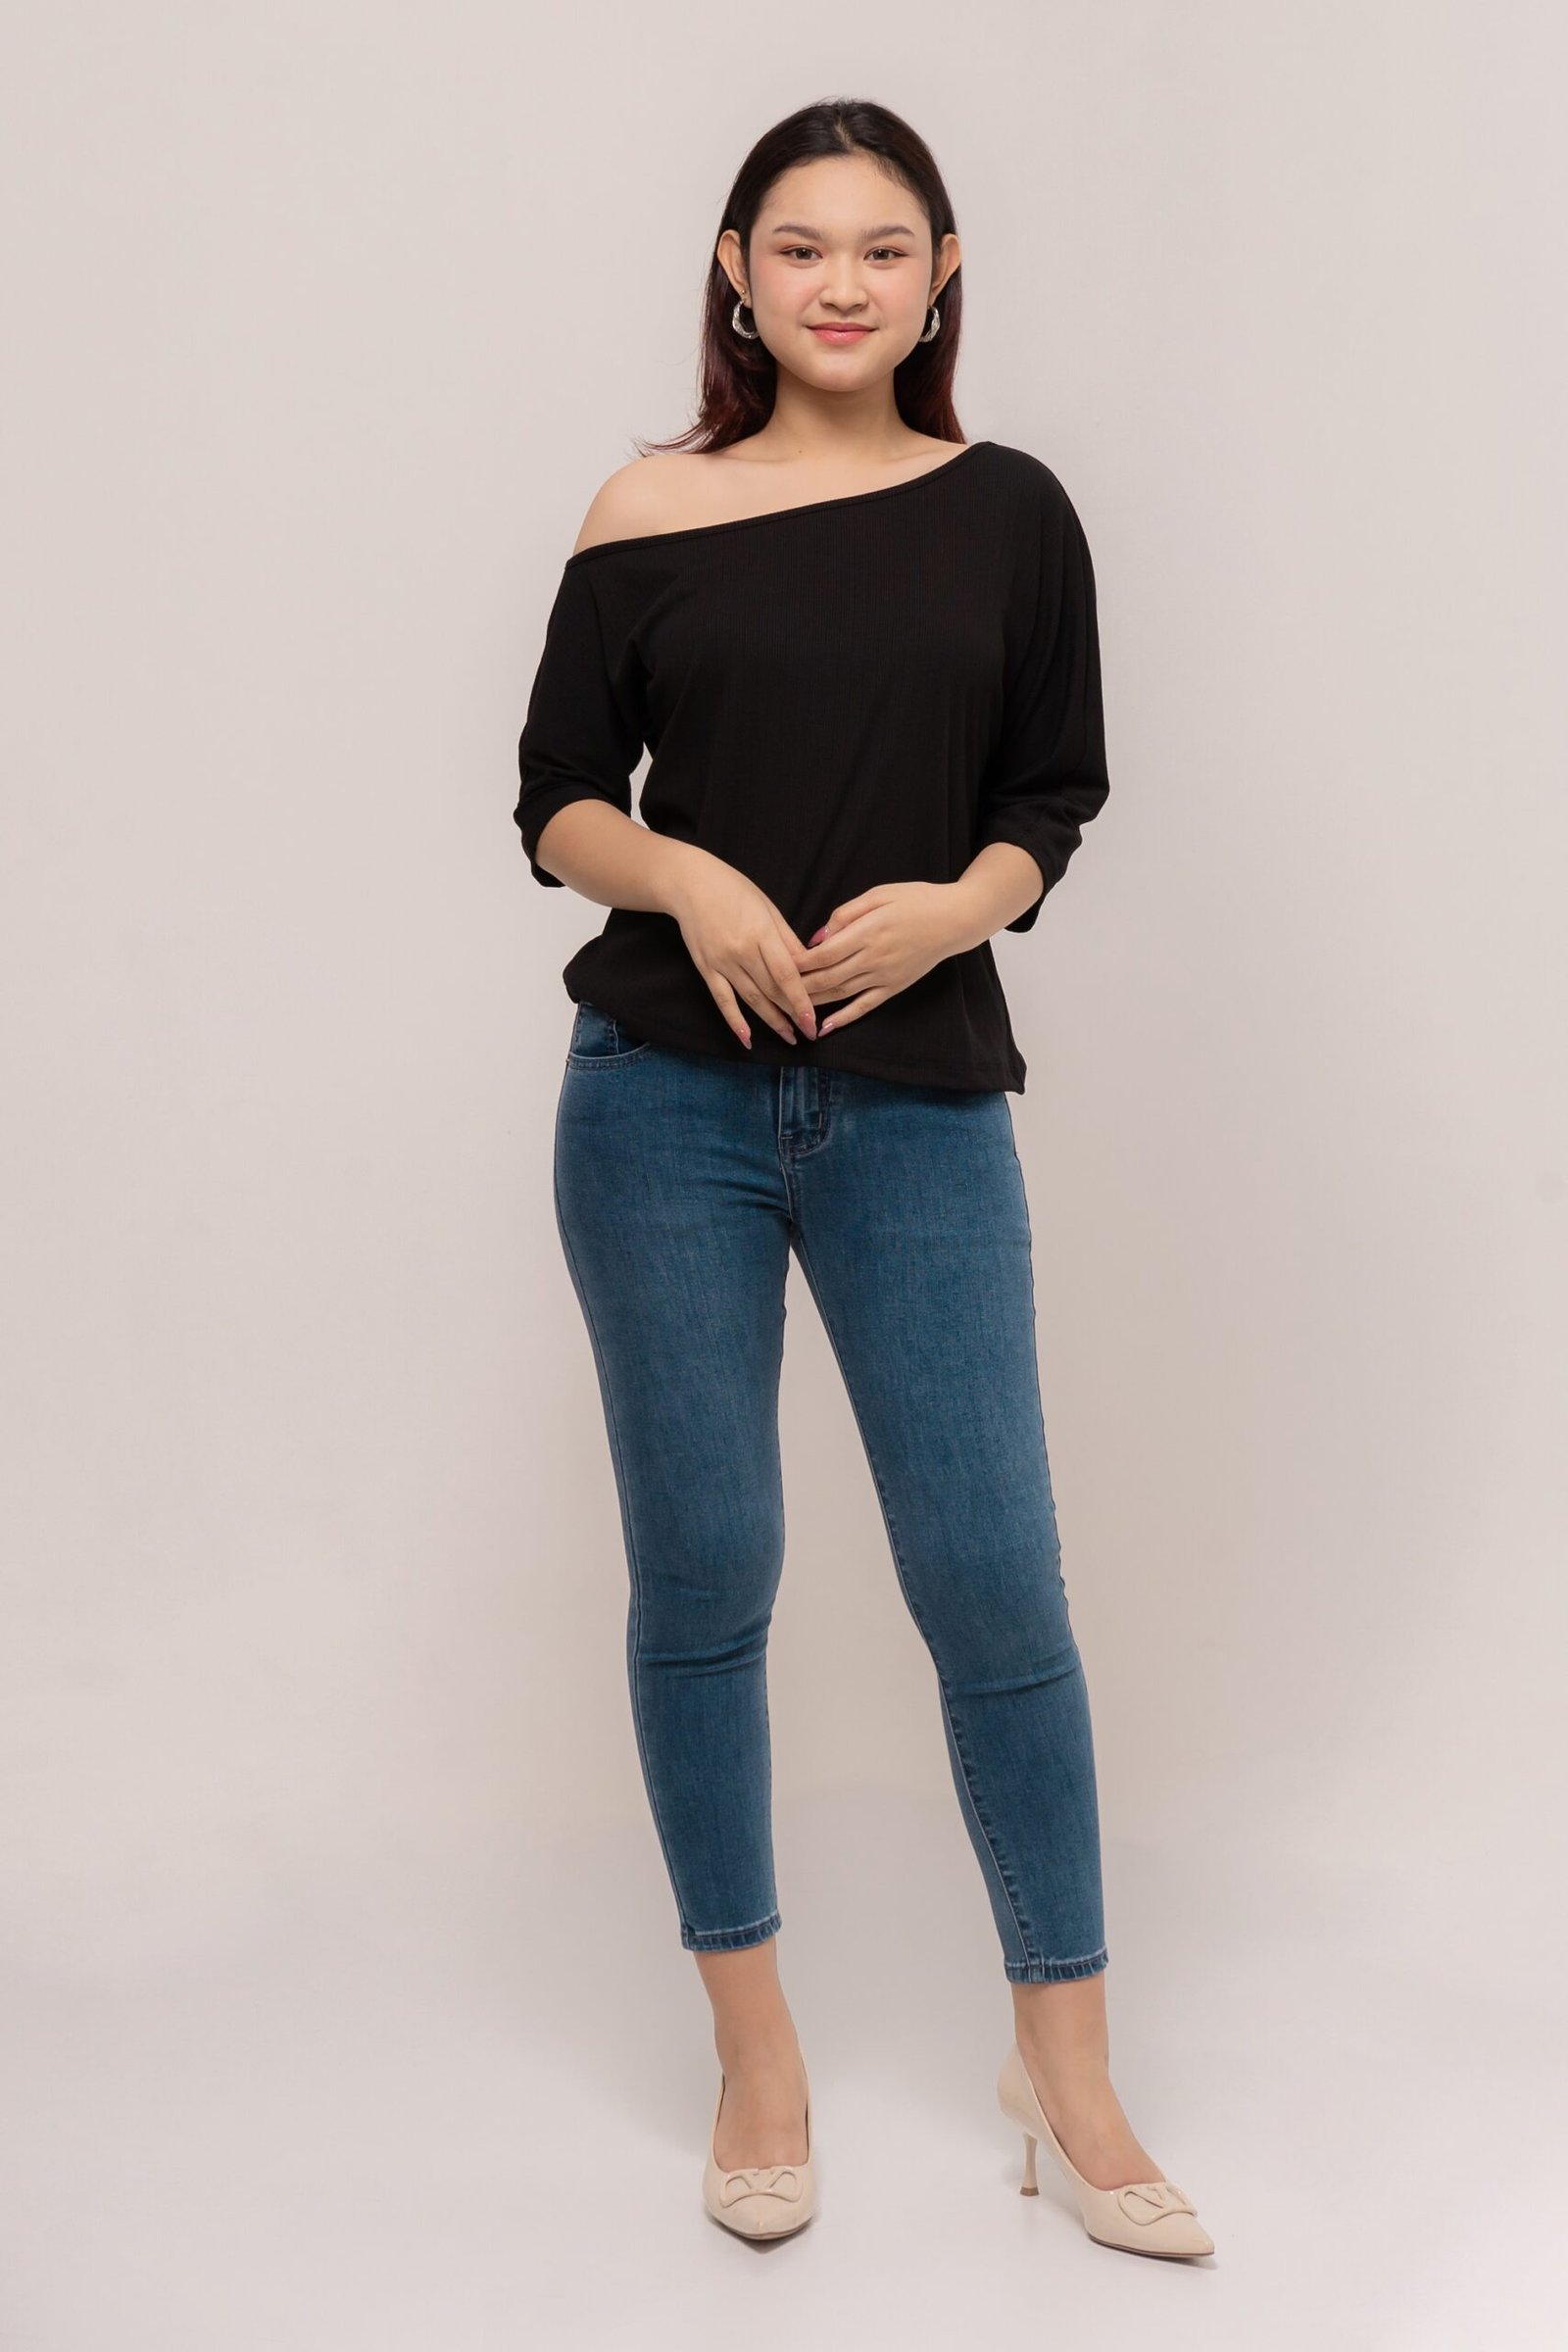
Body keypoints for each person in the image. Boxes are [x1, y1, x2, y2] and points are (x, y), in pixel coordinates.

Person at [513, 96, 1213, 2259]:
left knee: (994, 1586)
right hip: (662, 1100)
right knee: (705, 1574)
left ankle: (1066, 2076)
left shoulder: (1011, 512)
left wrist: (958, 907)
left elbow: (1051, 789)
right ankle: (755, 2052)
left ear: (939, 275)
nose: (840, 283)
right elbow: (555, 799)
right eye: (799, 246)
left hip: (917, 1096)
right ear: (736, 271)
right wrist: (687, 877)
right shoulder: (645, 508)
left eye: (883, 247)